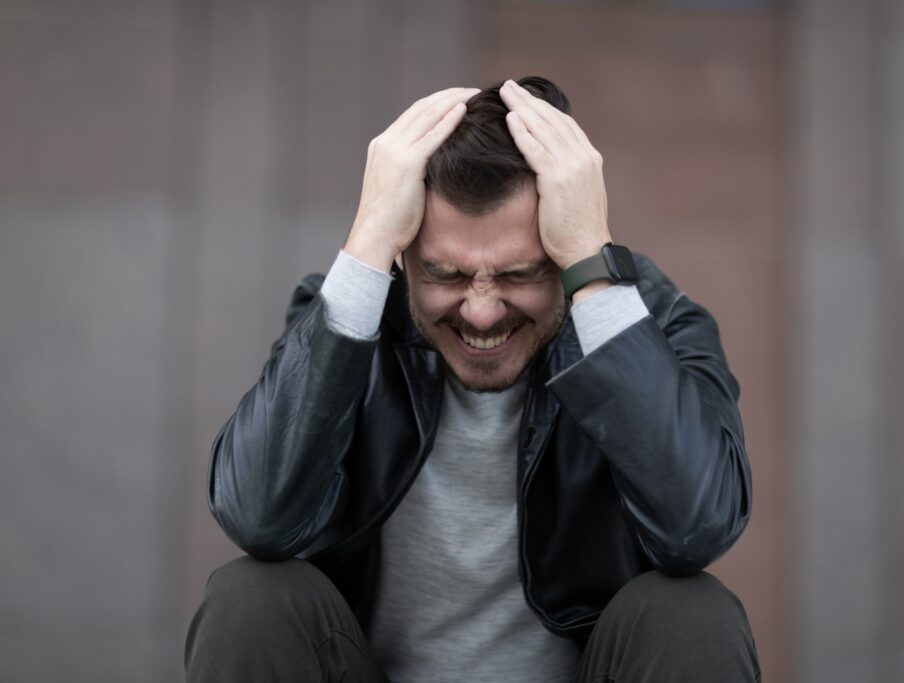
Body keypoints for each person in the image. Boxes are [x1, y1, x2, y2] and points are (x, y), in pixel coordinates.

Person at [185, 76, 760, 682]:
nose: (481, 311)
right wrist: (368, 240)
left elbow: (697, 530)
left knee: (692, 612)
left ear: (562, 254)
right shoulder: (350, 320)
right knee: (250, 598)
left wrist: (596, 270)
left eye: (518, 274)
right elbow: (258, 519)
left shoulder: (655, 322)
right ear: (405, 256)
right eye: (446, 275)